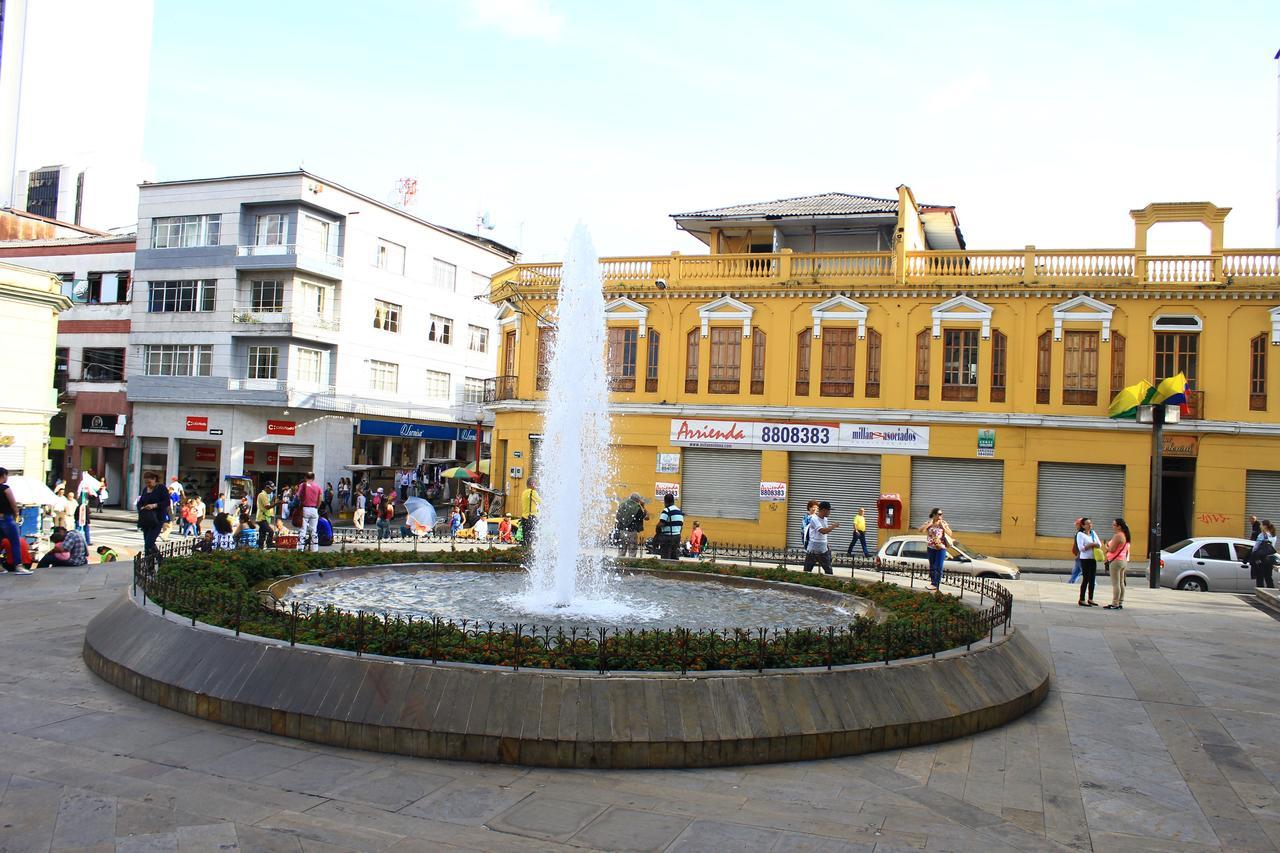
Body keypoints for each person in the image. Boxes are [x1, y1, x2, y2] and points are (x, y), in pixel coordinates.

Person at [0, 468, 31, 574]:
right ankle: (18, 566)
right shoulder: (5, 488)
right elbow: (12, 503)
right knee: (15, 542)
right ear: (3, 475)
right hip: (7, 519)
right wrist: (16, 513)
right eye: (7, 475)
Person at [136, 471, 170, 559]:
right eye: (146, 482)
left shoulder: (161, 488)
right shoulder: (145, 489)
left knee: (149, 542)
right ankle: (149, 564)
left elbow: (166, 502)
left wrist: (154, 505)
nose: (148, 484)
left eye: (149, 482)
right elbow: (140, 502)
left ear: (154, 479)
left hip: (157, 519)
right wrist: (141, 507)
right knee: (147, 543)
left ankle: (160, 560)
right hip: (146, 519)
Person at [919, 507, 953, 592]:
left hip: (941, 548)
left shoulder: (943, 523)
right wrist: (929, 524)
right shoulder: (928, 522)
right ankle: (933, 583)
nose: (941, 516)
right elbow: (920, 530)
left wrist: (943, 527)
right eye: (939, 514)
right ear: (934, 515)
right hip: (931, 548)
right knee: (932, 566)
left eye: (942, 514)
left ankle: (936, 584)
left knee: (938, 566)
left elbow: (950, 533)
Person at [803, 501, 839, 574]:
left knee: (829, 571)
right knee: (807, 571)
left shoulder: (825, 519)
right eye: (829, 510)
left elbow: (825, 532)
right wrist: (833, 526)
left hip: (823, 549)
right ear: (823, 510)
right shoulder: (814, 519)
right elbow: (822, 531)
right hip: (813, 549)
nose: (829, 512)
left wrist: (827, 545)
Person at [1104, 518, 1131, 610]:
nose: (1113, 527)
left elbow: (1112, 549)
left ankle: (1115, 603)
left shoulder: (1118, 536)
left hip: (1115, 561)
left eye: (1114, 525)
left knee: (1116, 584)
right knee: (1121, 582)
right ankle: (1120, 602)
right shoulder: (1125, 535)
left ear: (1119, 526)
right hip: (1122, 560)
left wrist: (1106, 546)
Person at [1075, 517, 1103, 607]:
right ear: (1083, 525)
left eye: (1090, 523)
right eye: (1087, 524)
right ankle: (1082, 599)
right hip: (1085, 559)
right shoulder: (1080, 534)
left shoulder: (1093, 533)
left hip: (1093, 558)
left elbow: (1099, 544)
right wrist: (1091, 544)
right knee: (1085, 579)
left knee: (1092, 579)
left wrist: (1095, 544)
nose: (1090, 525)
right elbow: (1081, 548)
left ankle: (1091, 599)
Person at [295, 471, 323, 552]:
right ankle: (314, 549)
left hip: (304, 509)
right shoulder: (317, 486)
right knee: (314, 530)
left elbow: (298, 496)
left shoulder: (302, 485)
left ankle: (300, 548)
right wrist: (316, 507)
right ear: (314, 478)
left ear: (305, 477)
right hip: (314, 509)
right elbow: (320, 499)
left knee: (303, 529)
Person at [1246, 519, 1277, 589]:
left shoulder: (1262, 535)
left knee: (1260, 577)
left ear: (1265, 526)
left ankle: (1260, 592)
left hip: (1261, 559)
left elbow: (1256, 547)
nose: (1260, 526)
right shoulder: (1273, 535)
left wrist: (1254, 554)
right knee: (1268, 577)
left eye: (1261, 524)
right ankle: (1271, 591)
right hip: (1269, 559)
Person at [616, 492, 648, 557]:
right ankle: (630, 565)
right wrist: (643, 506)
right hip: (632, 533)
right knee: (632, 553)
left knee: (621, 552)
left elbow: (617, 517)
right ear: (637, 500)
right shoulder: (637, 508)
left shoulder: (622, 505)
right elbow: (647, 517)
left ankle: (619, 566)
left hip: (622, 531)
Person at [657, 492, 684, 560]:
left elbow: (661, 524)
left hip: (668, 537)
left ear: (665, 501)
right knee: (674, 557)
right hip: (677, 537)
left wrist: (657, 533)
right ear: (673, 501)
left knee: (665, 557)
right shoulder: (679, 512)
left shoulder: (666, 510)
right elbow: (681, 526)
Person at [520, 478, 541, 548]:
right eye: (535, 483)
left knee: (526, 538)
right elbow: (541, 502)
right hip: (531, 518)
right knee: (533, 538)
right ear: (532, 484)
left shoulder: (524, 492)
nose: (536, 486)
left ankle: (525, 551)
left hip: (524, 518)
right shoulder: (533, 492)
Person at [255, 482, 276, 550]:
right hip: (262, 518)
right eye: (271, 489)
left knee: (262, 533)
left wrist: (273, 500)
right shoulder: (262, 495)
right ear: (266, 488)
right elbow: (267, 507)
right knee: (271, 531)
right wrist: (276, 503)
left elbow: (269, 504)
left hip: (263, 518)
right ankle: (269, 544)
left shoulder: (265, 495)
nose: (271, 491)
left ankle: (260, 547)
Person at [1067, 517, 1083, 584]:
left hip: (1080, 557)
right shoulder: (1079, 533)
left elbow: (1081, 546)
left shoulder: (1081, 534)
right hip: (1078, 556)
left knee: (1087, 574)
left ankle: (1094, 585)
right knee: (1075, 572)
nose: (1075, 526)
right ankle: (1070, 583)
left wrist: (1078, 555)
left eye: (1077, 524)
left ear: (1080, 525)